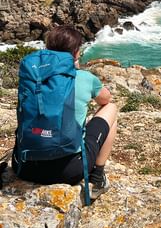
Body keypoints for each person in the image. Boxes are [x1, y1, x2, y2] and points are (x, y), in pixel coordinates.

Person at [12, 25, 118, 199]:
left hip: (24, 167)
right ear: (76, 53)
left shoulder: (32, 77)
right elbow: (106, 99)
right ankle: (97, 178)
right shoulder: (85, 78)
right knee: (111, 109)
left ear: (48, 49)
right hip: (69, 170)